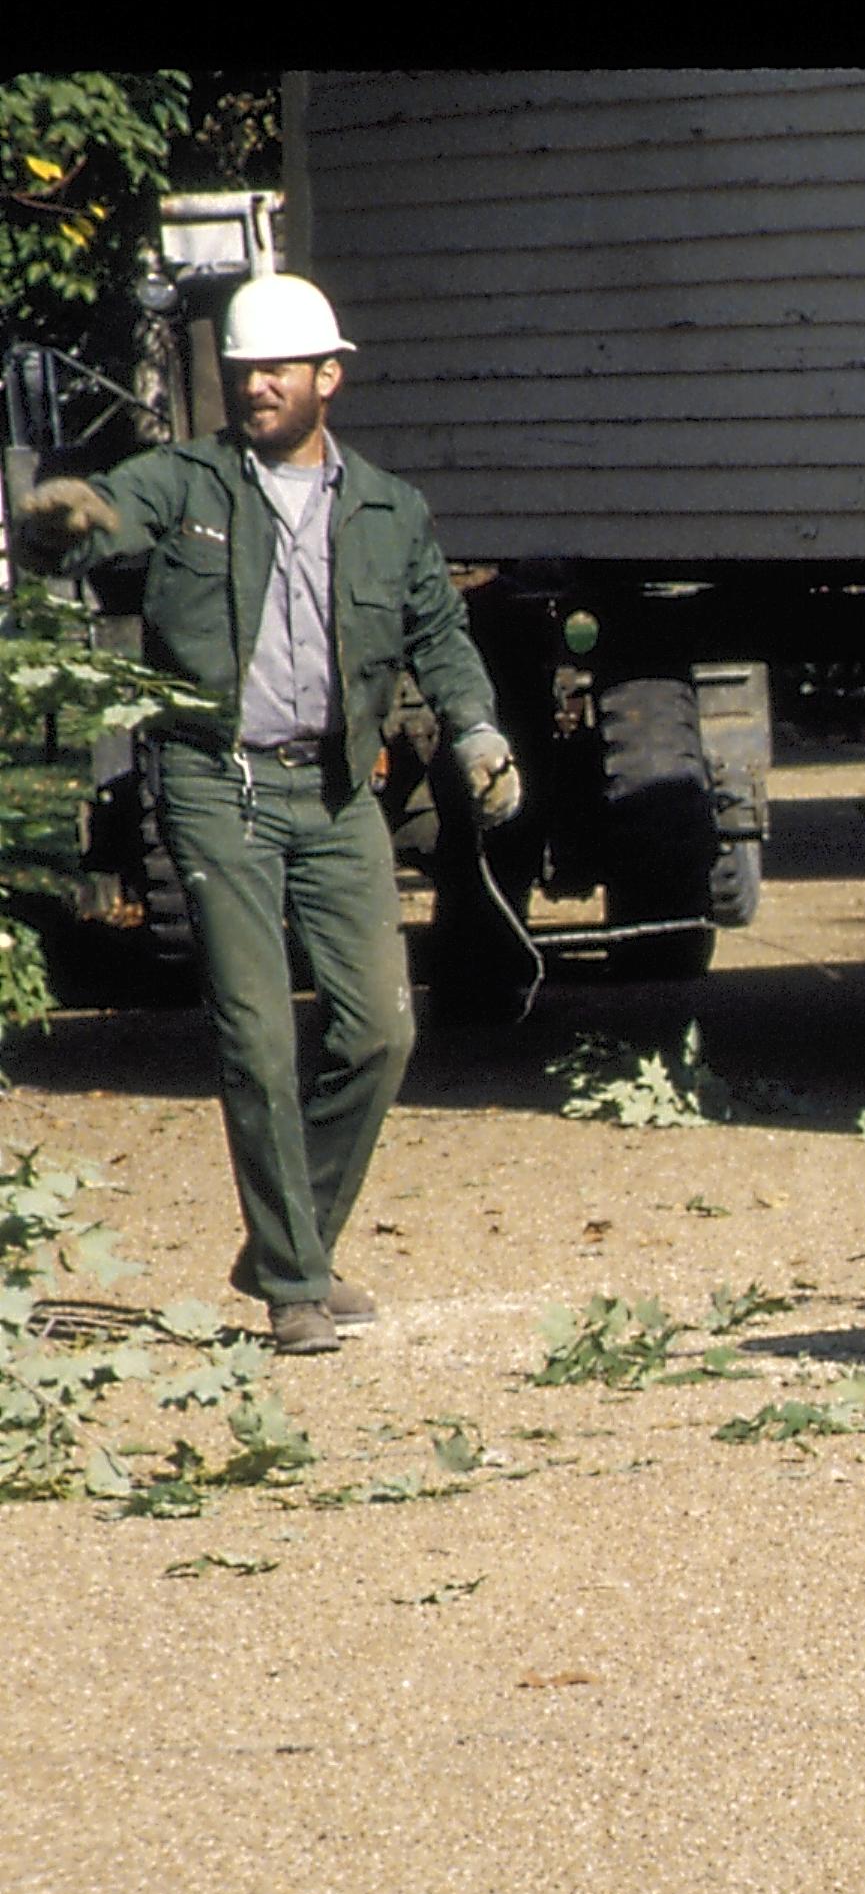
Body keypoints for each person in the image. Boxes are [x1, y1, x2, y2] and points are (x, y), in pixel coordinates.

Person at [8, 272, 522, 1356]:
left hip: (338, 792)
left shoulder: (389, 507)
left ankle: (288, 1242)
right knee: (254, 1032)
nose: (258, 388)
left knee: (381, 1028)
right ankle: (296, 1282)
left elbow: (439, 636)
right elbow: (96, 526)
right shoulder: (184, 480)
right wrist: (59, 522)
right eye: (244, 372)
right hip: (213, 783)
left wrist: (478, 734)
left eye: (280, 370)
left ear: (329, 377)